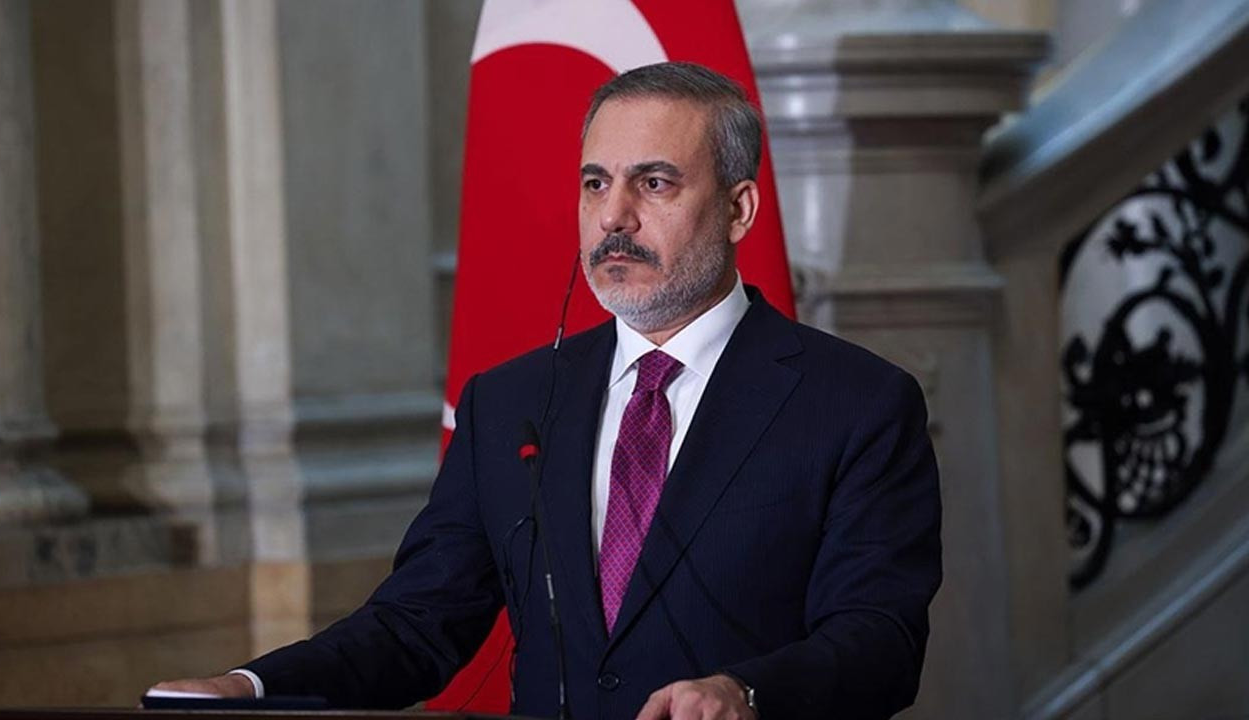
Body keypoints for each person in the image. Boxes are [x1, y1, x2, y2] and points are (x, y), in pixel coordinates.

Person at [152, 61, 941, 720]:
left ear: (739, 209)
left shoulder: (857, 404)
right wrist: (251, 687)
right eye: (596, 184)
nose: (614, 218)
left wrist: (747, 693)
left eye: (654, 183)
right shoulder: (509, 402)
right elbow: (418, 623)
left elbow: (881, 639)